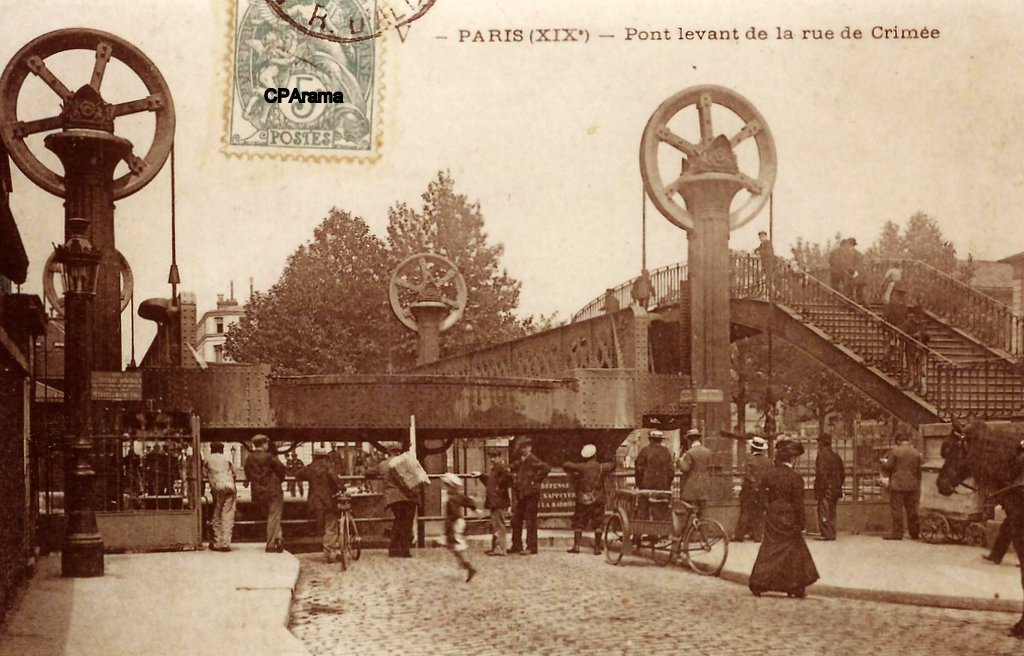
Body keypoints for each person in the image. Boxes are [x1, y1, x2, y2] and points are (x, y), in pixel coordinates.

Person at [749, 438, 819, 598]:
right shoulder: (795, 477)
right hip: (789, 515)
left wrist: (767, 507)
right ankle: (794, 586)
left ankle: (759, 582)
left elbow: (759, 494)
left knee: (770, 548)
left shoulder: (769, 474)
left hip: (773, 514)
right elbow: (798, 503)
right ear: (792, 459)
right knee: (794, 550)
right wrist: (801, 522)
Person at [562, 444, 615, 555]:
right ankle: (597, 547)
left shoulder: (581, 467)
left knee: (579, 522)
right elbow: (613, 465)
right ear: (595, 455)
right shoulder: (602, 467)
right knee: (598, 522)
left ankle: (576, 546)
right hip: (598, 498)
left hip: (583, 499)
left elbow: (566, 465)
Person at [295, 448, 342, 563]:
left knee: (320, 526)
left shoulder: (310, 468)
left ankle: (327, 550)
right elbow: (335, 479)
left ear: (314, 457)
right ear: (326, 457)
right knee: (331, 527)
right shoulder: (329, 467)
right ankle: (329, 553)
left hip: (314, 502)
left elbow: (298, 475)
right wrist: (341, 488)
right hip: (328, 502)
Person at [244, 434, 286, 553]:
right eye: (266, 443)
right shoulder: (270, 457)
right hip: (273, 490)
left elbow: (248, 473)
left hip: (258, 492)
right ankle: (271, 544)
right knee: (274, 516)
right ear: (263, 444)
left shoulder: (249, 458)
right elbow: (281, 470)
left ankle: (279, 539)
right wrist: (279, 480)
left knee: (270, 516)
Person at [881, 425, 923, 540]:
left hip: (898, 485)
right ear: (908, 440)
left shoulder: (895, 451)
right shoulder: (916, 452)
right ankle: (914, 532)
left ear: (898, 441)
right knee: (912, 510)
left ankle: (897, 533)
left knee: (897, 510)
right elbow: (920, 469)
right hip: (913, 485)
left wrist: (883, 462)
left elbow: (889, 466)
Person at [510, 438, 551, 555]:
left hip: (531, 495)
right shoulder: (521, 460)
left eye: (525, 447)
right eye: (521, 448)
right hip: (522, 494)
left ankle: (532, 547)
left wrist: (535, 480)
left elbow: (546, 468)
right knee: (516, 520)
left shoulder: (533, 459)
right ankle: (516, 545)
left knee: (530, 521)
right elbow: (512, 466)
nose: (523, 450)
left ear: (529, 448)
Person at [378, 448, 421, 558]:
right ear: (398, 453)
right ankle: (404, 550)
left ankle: (393, 549)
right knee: (406, 524)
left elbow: (370, 472)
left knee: (398, 522)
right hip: (405, 497)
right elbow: (406, 482)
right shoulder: (400, 463)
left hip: (392, 498)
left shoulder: (383, 464)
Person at [440, 473, 478, 582]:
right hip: (458, 521)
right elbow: (468, 501)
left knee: (455, 544)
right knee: (452, 545)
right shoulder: (457, 496)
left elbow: (454, 514)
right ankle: (463, 562)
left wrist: (449, 527)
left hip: (455, 522)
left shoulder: (451, 498)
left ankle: (468, 566)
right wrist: (474, 508)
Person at [733, 436, 771, 542]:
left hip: (749, 490)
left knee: (745, 512)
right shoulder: (768, 461)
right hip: (762, 490)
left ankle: (740, 535)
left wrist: (753, 485)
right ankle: (757, 535)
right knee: (759, 513)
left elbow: (747, 475)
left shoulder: (749, 459)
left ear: (753, 448)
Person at [634, 430, 675, 521]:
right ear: (660, 440)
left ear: (650, 439)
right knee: (660, 513)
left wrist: (638, 484)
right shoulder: (666, 452)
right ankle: (661, 529)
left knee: (643, 512)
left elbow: (639, 470)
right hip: (662, 488)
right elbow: (671, 472)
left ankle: (643, 528)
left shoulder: (645, 451)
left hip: (646, 488)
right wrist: (667, 484)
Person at [203, 442, 236, 552]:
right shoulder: (227, 458)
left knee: (217, 514)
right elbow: (234, 473)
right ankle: (226, 543)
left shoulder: (207, 459)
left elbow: (203, 473)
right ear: (222, 449)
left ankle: (218, 542)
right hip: (230, 486)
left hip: (217, 487)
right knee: (227, 514)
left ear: (211, 449)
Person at [478, 451, 513, 556]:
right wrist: (481, 476)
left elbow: (509, 479)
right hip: (495, 501)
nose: (492, 459)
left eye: (494, 457)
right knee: (495, 524)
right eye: (491, 457)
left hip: (499, 501)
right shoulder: (495, 469)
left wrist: (499, 489)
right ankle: (496, 547)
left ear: (499, 457)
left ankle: (501, 548)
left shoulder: (501, 468)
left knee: (499, 525)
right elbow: (490, 483)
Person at [813, 434, 845, 541]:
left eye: (819, 442)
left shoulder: (821, 456)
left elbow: (821, 473)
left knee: (824, 511)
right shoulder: (836, 456)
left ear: (822, 443)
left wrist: (824, 486)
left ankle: (827, 533)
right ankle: (832, 532)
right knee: (832, 511)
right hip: (835, 488)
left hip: (825, 489)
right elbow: (842, 473)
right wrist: (838, 485)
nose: (818, 444)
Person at [677, 428, 711, 518]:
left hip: (692, 485)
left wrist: (680, 461)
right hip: (705, 484)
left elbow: (685, 468)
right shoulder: (707, 451)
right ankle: (703, 526)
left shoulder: (690, 453)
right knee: (703, 511)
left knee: (690, 510)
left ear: (689, 440)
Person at [755, 230, 775, 295]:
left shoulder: (768, 243)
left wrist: (759, 252)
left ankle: (773, 294)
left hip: (769, 265)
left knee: (769, 280)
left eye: (762, 236)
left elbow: (768, 252)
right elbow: (757, 249)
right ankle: (767, 293)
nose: (761, 238)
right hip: (765, 265)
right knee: (765, 280)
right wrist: (755, 251)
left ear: (765, 237)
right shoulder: (762, 244)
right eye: (760, 237)